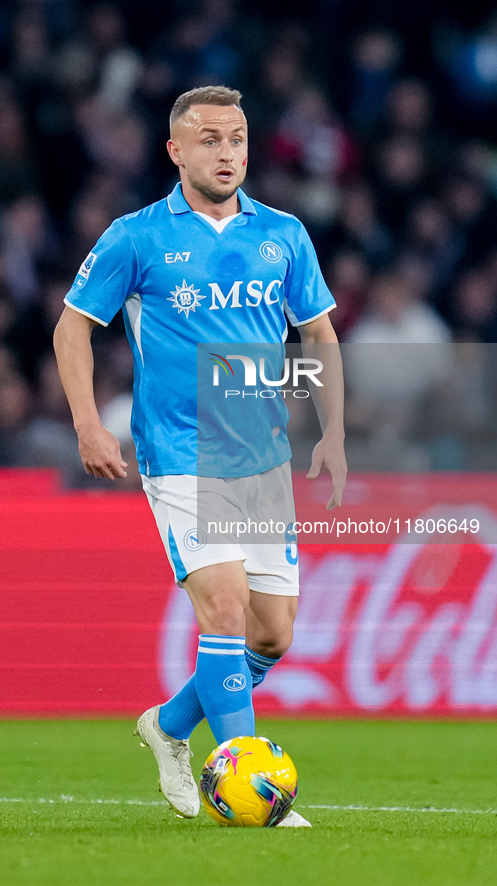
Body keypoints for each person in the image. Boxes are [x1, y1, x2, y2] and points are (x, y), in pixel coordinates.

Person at [53, 86, 346, 827]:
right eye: (209, 139)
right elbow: (71, 328)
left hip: (261, 457)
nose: (227, 153)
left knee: (271, 633)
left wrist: (334, 432)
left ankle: (170, 725)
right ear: (176, 151)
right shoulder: (138, 236)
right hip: (179, 451)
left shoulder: (282, 233)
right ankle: (250, 792)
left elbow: (318, 335)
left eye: (238, 138)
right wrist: (89, 424)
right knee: (222, 606)